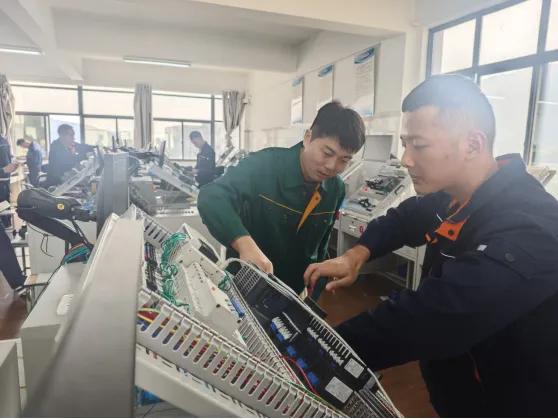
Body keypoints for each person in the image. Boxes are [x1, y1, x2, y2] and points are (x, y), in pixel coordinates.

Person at [304, 75, 558, 417]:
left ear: (472, 144)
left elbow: (434, 317)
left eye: (419, 146)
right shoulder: (454, 195)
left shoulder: (529, 227)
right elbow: (405, 218)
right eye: (404, 144)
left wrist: (317, 349)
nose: (406, 160)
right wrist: (355, 255)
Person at [198, 101, 365, 296]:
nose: (331, 166)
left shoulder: (335, 188)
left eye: (344, 160)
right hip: (244, 284)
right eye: (327, 153)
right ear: (308, 137)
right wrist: (244, 245)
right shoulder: (265, 165)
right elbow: (211, 196)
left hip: (293, 292)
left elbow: (321, 246)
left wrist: (315, 289)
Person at [0, 134, 19, 227]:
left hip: (6, 180)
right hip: (2, 179)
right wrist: (4, 170)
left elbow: (8, 157)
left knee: (6, 206)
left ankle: (7, 226)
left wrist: (12, 165)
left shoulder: (4, 140)